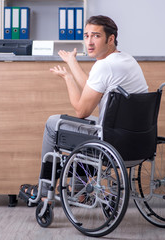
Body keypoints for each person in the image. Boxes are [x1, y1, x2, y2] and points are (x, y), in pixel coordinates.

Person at [20, 15, 149, 199]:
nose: (89, 42)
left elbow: (82, 111)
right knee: (86, 130)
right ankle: (79, 192)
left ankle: (43, 191)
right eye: (86, 35)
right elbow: (92, 86)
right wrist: (72, 62)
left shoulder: (104, 66)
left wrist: (68, 78)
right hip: (137, 141)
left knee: (53, 124)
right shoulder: (126, 60)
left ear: (110, 39)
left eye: (96, 36)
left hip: (112, 141)